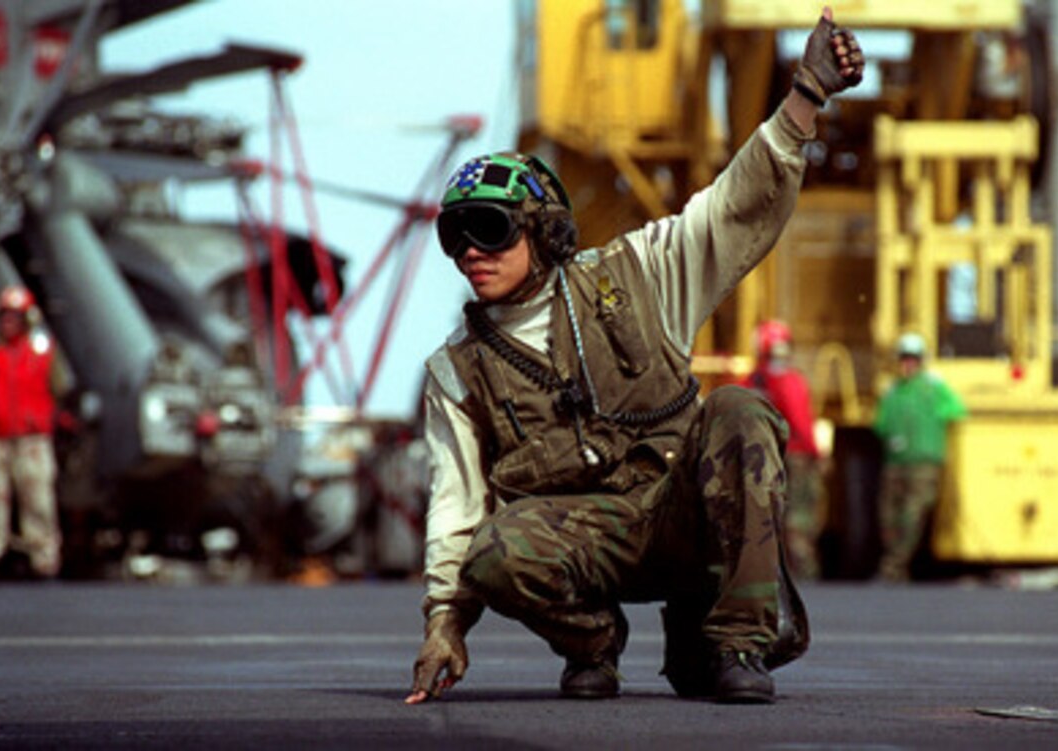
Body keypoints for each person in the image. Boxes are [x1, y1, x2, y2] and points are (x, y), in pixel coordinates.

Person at [407, 8, 863, 705]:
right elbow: (455, 506)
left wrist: (805, 92)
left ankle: (731, 639)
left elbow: (734, 207)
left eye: (490, 229)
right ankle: (593, 643)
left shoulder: (638, 275)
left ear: (544, 233)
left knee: (742, 410)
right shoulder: (456, 370)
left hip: (679, 510)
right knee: (493, 550)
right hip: (583, 542)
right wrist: (445, 621)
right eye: (455, 235)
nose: (470, 249)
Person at [0, 285, 62, 578]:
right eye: (5, 316)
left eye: (15, 316)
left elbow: (59, 388)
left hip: (31, 438)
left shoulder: (43, 350)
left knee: (38, 498)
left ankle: (43, 558)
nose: (9, 322)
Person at [872, 332, 966, 581]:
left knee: (912, 514)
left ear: (921, 360)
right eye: (904, 357)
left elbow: (956, 409)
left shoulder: (933, 387)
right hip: (895, 462)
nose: (908, 363)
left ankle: (893, 567)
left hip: (922, 464)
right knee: (888, 516)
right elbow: (880, 424)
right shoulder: (892, 391)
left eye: (913, 358)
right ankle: (895, 565)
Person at [740, 320, 824, 579]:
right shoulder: (790, 380)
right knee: (800, 510)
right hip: (796, 453)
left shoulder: (751, 381)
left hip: (760, 455)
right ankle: (805, 569)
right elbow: (801, 420)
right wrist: (816, 453)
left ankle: (768, 569)